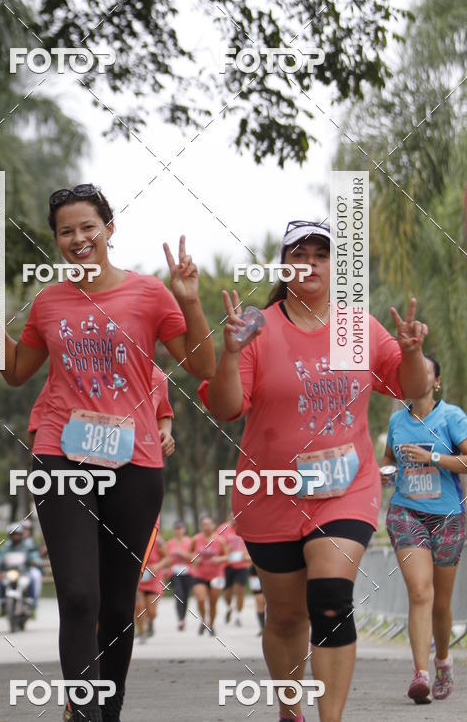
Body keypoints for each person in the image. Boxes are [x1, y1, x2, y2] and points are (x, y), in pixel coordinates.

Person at [0, 184, 215, 722]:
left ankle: (105, 714)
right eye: (65, 231)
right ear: (56, 240)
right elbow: (15, 371)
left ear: (109, 229)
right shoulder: (49, 302)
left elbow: (204, 366)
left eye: (87, 227)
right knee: (78, 596)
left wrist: (189, 297)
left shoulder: (148, 294)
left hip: (134, 462)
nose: (78, 239)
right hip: (60, 455)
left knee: (119, 606)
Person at [199, 219, 429, 722]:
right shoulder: (259, 329)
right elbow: (225, 407)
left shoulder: (357, 329)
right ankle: (291, 710)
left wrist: (411, 353)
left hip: (346, 487)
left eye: (321, 255)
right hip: (270, 492)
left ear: (336, 267)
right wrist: (232, 350)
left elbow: (409, 388)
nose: (309, 264)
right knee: (285, 616)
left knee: (328, 597)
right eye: (298, 255)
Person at [382, 353, 467, 703]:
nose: (416, 378)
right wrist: (386, 473)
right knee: (419, 592)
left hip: (448, 516)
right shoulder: (397, 421)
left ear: (435, 382)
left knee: (440, 604)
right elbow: (388, 460)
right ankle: (420, 675)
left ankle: (443, 660)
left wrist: (431, 457)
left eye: (424, 372)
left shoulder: (452, 416)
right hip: (406, 512)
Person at [189, 513, 227, 636]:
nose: (206, 527)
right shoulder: (196, 539)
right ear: (201, 526)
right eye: (204, 524)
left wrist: (219, 560)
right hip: (199, 574)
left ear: (214, 525)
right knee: (200, 599)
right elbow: (189, 554)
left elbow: (227, 556)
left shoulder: (220, 540)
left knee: (213, 602)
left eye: (209, 524)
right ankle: (204, 620)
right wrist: (194, 558)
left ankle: (211, 625)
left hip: (216, 575)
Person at [0, 523, 41, 616]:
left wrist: (35, 560)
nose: (15, 536)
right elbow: (0, 557)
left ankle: (30, 601)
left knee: (31, 578)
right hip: (9, 572)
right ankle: (2, 602)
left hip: (23, 572)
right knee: (0, 579)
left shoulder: (27, 546)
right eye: (13, 534)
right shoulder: (7, 547)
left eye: (17, 534)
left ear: (21, 535)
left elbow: (34, 555)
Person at [135, 528, 167, 641]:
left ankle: (150, 623)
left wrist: (157, 566)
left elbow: (167, 558)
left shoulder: (158, 540)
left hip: (154, 579)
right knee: (138, 607)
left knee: (152, 612)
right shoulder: (134, 539)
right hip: (138, 579)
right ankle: (142, 632)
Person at [219, 514, 251, 627]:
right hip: (227, 565)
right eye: (233, 517)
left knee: (239, 590)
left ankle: (238, 615)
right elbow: (218, 542)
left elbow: (250, 544)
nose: (235, 520)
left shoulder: (246, 528)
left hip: (242, 565)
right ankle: (229, 607)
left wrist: (245, 553)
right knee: (227, 592)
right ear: (229, 518)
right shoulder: (223, 528)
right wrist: (225, 550)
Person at [163, 520, 193, 630]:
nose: (178, 531)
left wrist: (182, 553)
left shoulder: (190, 541)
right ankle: (180, 619)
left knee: (185, 596)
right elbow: (166, 558)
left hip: (188, 572)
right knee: (178, 594)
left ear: (184, 529)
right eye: (176, 528)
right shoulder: (169, 543)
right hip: (174, 573)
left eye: (180, 528)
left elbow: (194, 558)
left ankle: (183, 618)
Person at [21, 518, 43, 612]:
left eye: (26, 529)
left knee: (36, 576)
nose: (24, 531)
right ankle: (3, 603)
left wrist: (35, 561)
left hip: (28, 568)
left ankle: (33, 603)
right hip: (16, 569)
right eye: (23, 528)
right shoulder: (12, 543)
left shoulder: (32, 544)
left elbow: (36, 557)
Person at [249, 563, 267, 636]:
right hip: (255, 573)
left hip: (273, 572)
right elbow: (245, 557)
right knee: (260, 601)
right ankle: (263, 628)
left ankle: (272, 627)